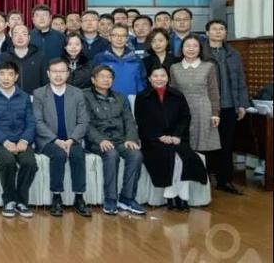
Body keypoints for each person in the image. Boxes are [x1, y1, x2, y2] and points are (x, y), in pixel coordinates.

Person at [135, 65, 208, 211]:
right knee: (169, 155)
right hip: (153, 140)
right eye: (155, 76)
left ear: (168, 78)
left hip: (177, 138)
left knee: (184, 157)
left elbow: (185, 117)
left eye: (162, 76)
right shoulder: (142, 97)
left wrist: (177, 135)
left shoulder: (177, 95)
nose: (159, 79)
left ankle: (180, 196)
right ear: (149, 79)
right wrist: (159, 136)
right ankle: (173, 196)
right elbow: (142, 121)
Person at [83, 65, 146, 216]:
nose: (106, 80)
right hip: (98, 141)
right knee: (111, 154)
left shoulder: (120, 97)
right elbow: (85, 123)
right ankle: (110, 199)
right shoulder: (84, 96)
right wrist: (100, 140)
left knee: (136, 155)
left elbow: (129, 120)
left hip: (120, 140)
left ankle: (127, 198)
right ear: (93, 80)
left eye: (109, 77)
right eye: (102, 76)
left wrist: (131, 138)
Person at [33, 58, 91, 217]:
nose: (58, 75)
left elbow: (83, 121)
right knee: (58, 155)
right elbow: (38, 122)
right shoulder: (39, 93)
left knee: (78, 154)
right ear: (48, 73)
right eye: (54, 72)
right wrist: (56, 140)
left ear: (68, 73)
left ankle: (79, 197)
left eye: (62, 71)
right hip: (49, 140)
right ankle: (56, 197)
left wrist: (71, 140)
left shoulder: (77, 93)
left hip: (72, 139)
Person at [0, 61, 37, 219]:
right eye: (2, 74)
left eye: (10, 74)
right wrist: (5, 141)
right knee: (8, 162)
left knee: (30, 163)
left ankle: (21, 201)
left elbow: (31, 122)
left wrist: (24, 140)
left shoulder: (24, 96)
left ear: (16, 77)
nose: (6, 78)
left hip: (21, 140)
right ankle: (9, 201)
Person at [203, 19, 250, 195]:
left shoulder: (233, 53)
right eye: (214, 29)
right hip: (207, 106)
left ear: (225, 33)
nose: (218, 32)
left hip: (230, 105)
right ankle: (204, 180)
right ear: (207, 33)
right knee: (206, 143)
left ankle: (225, 180)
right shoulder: (201, 52)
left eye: (221, 29)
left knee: (227, 144)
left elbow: (240, 80)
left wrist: (242, 104)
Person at [169, 35, 221, 173]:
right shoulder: (174, 68)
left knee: (202, 147)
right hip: (182, 112)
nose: (191, 49)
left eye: (195, 46)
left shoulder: (208, 66)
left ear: (200, 49)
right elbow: (173, 92)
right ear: (182, 49)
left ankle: (203, 178)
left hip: (203, 111)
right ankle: (187, 180)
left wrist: (215, 113)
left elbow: (213, 91)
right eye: (187, 46)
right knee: (184, 145)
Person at [93, 24, 146, 98]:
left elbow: (142, 83)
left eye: (123, 36)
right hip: (107, 101)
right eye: (115, 35)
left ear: (127, 38)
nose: (119, 39)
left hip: (131, 101)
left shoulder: (136, 59)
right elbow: (94, 81)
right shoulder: (100, 58)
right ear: (109, 38)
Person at [0, 24, 47, 93]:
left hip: (35, 97)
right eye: (16, 34)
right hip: (11, 97)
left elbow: (45, 82)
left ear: (29, 38)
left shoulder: (40, 57)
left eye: (24, 34)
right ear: (11, 37)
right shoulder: (4, 57)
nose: (20, 37)